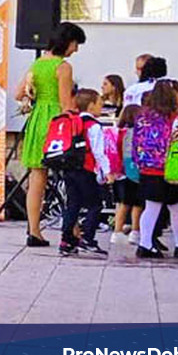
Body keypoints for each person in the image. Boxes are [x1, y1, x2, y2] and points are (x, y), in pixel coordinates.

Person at [17, 22, 86, 247]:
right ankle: (72, 229)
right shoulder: (63, 67)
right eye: (75, 44)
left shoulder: (38, 63)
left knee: (37, 177)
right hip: (57, 124)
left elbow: (19, 93)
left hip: (37, 120)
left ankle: (34, 231)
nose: (76, 49)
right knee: (67, 178)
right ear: (67, 42)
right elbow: (66, 103)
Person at [133, 80, 178, 259]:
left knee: (151, 207)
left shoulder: (143, 116)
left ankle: (145, 243)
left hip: (147, 168)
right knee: (177, 208)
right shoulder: (176, 117)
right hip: (170, 168)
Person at [58, 89, 112, 256]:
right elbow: (98, 152)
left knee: (72, 205)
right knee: (95, 205)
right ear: (91, 106)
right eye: (100, 104)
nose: (101, 107)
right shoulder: (94, 126)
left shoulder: (72, 122)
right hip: (86, 170)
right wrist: (107, 171)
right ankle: (87, 238)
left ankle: (66, 240)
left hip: (69, 169)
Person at [110, 105, 144, 247]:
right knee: (138, 203)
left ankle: (117, 230)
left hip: (121, 170)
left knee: (124, 203)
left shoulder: (119, 132)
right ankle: (135, 231)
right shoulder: (138, 132)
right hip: (134, 168)